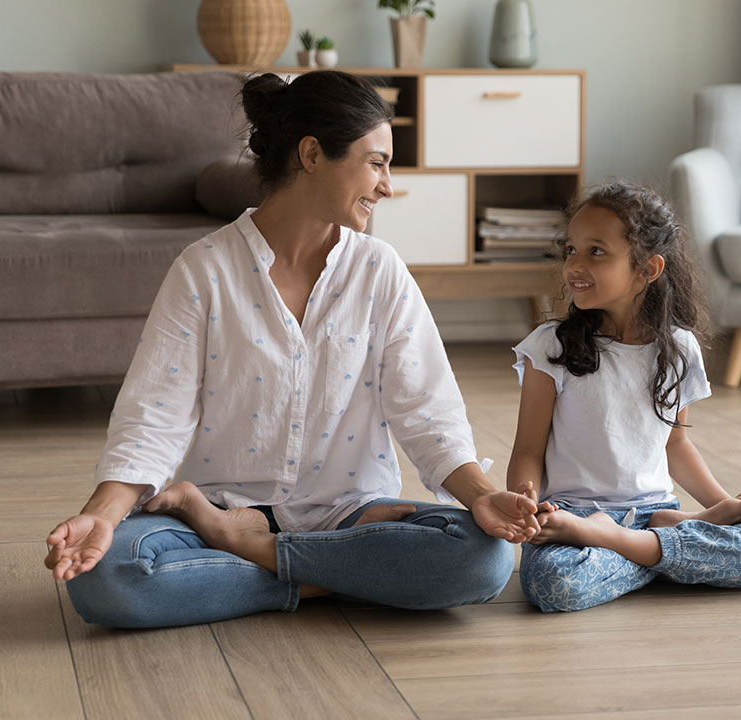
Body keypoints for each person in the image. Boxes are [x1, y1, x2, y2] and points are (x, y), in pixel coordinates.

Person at [43, 70, 540, 628]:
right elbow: (153, 418)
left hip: (351, 516)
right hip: (225, 503)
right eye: (376, 162)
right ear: (311, 154)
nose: (388, 185)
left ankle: (255, 558)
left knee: (483, 558)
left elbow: (428, 413)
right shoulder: (204, 271)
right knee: (107, 575)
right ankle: (341, 579)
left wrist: (480, 496)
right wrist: (101, 516)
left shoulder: (379, 272)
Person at [506, 182, 741, 613]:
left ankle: (621, 542)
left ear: (648, 269)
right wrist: (527, 505)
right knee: (555, 585)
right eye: (571, 250)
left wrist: (724, 506)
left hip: (653, 511)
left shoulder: (679, 347)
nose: (575, 265)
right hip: (573, 517)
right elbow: (528, 449)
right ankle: (662, 548)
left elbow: (675, 444)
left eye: (596, 252)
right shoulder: (549, 347)